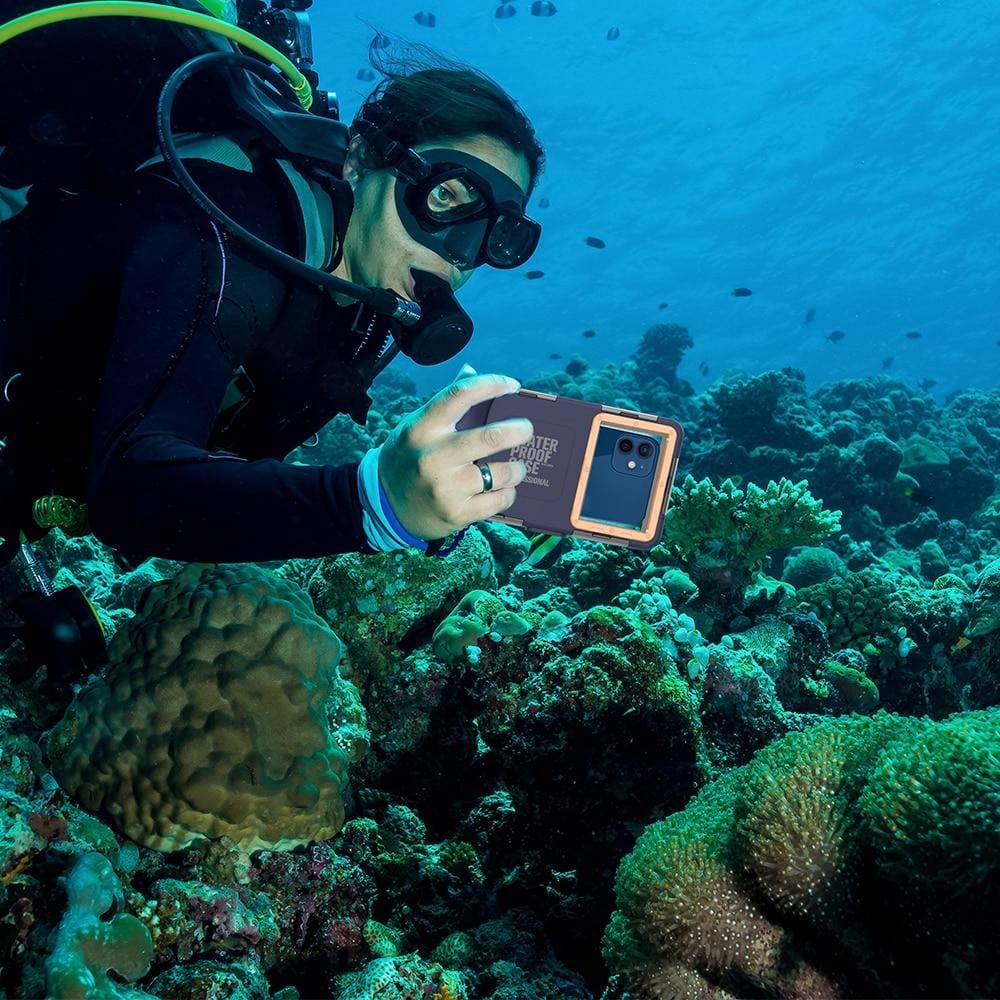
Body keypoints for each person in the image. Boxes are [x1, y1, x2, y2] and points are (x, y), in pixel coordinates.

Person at [0, 41, 546, 567]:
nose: (460, 254)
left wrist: (430, 503)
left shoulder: (369, 290)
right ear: (359, 161)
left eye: (499, 236)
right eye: (446, 196)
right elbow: (127, 485)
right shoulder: (223, 230)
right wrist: (374, 506)